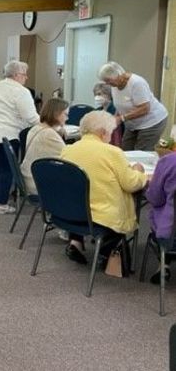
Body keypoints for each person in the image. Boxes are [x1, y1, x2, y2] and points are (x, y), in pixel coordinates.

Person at [60, 111, 147, 265]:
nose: (111, 136)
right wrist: (139, 172)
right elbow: (131, 184)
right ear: (102, 132)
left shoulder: (68, 150)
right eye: (111, 132)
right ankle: (107, 252)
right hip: (102, 216)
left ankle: (76, 242)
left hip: (72, 212)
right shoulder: (112, 152)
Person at [0, 61, 39, 215]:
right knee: (6, 169)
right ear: (17, 75)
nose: (26, 77)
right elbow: (31, 117)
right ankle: (2, 204)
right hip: (6, 134)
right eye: (24, 74)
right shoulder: (21, 91)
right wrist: (48, 125)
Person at [97, 61, 168, 151]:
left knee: (141, 153)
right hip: (132, 124)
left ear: (117, 75)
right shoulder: (114, 85)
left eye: (108, 80)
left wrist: (121, 118)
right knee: (125, 151)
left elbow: (145, 108)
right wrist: (114, 118)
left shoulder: (137, 83)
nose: (107, 83)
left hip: (152, 122)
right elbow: (120, 104)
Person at [20, 98, 69, 195]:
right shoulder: (49, 134)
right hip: (36, 183)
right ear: (57, 114)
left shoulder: (36, 128)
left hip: (28, 176)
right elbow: (68, 155)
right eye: (65, 114)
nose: (67, 118)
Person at [145, 151, 176, 283]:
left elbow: (155, 198)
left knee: (163, 218)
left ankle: (164, 265)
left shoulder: (169, 161)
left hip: (171, 237)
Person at [93, 82, 122, 146]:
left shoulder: (115, 109)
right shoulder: (97, 110)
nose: (96, 97)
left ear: (108, 94)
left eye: (99, 94)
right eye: (95, 95)